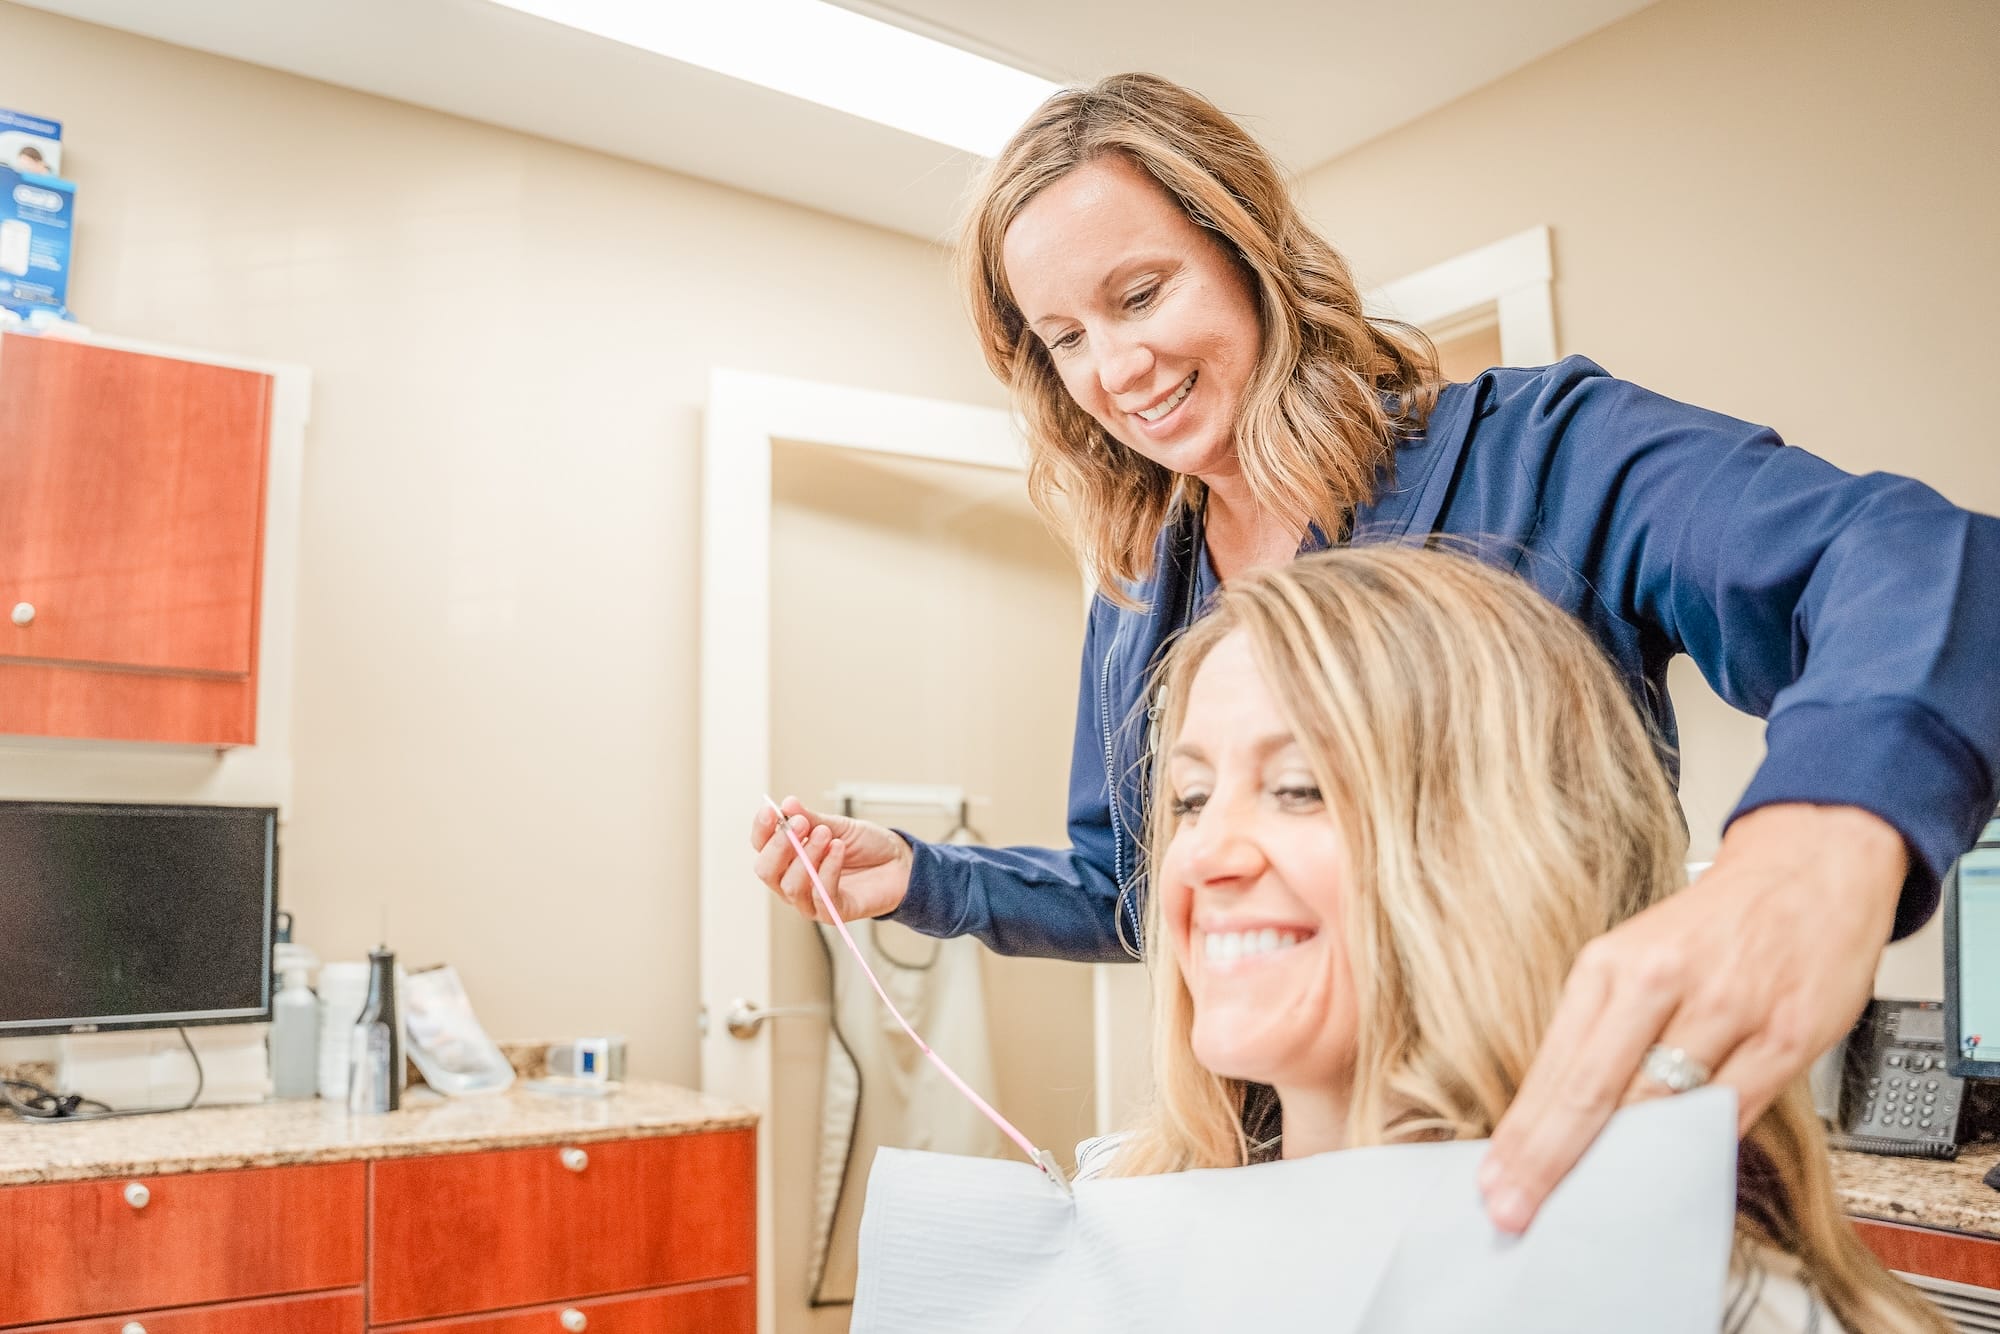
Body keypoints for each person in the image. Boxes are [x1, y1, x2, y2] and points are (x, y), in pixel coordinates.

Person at [750, 73, 2000, 1233]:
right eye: (1061, 336)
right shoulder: (1141, 592)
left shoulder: (1540, 454)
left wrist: (1812, 848)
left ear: (1252, 254)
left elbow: (1928, 564)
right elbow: (1137, 886)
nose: (1114, 369)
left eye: (1138, 294)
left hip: (1568, 1169)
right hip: (1288, 1196)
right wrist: (921, 874)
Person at [1080, 545, 1948, 1333]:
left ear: (1499, 855)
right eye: (1191, 800)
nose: (1201, 857)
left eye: (1300, 789)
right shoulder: (1129, 1232)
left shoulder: (1682, 1301)